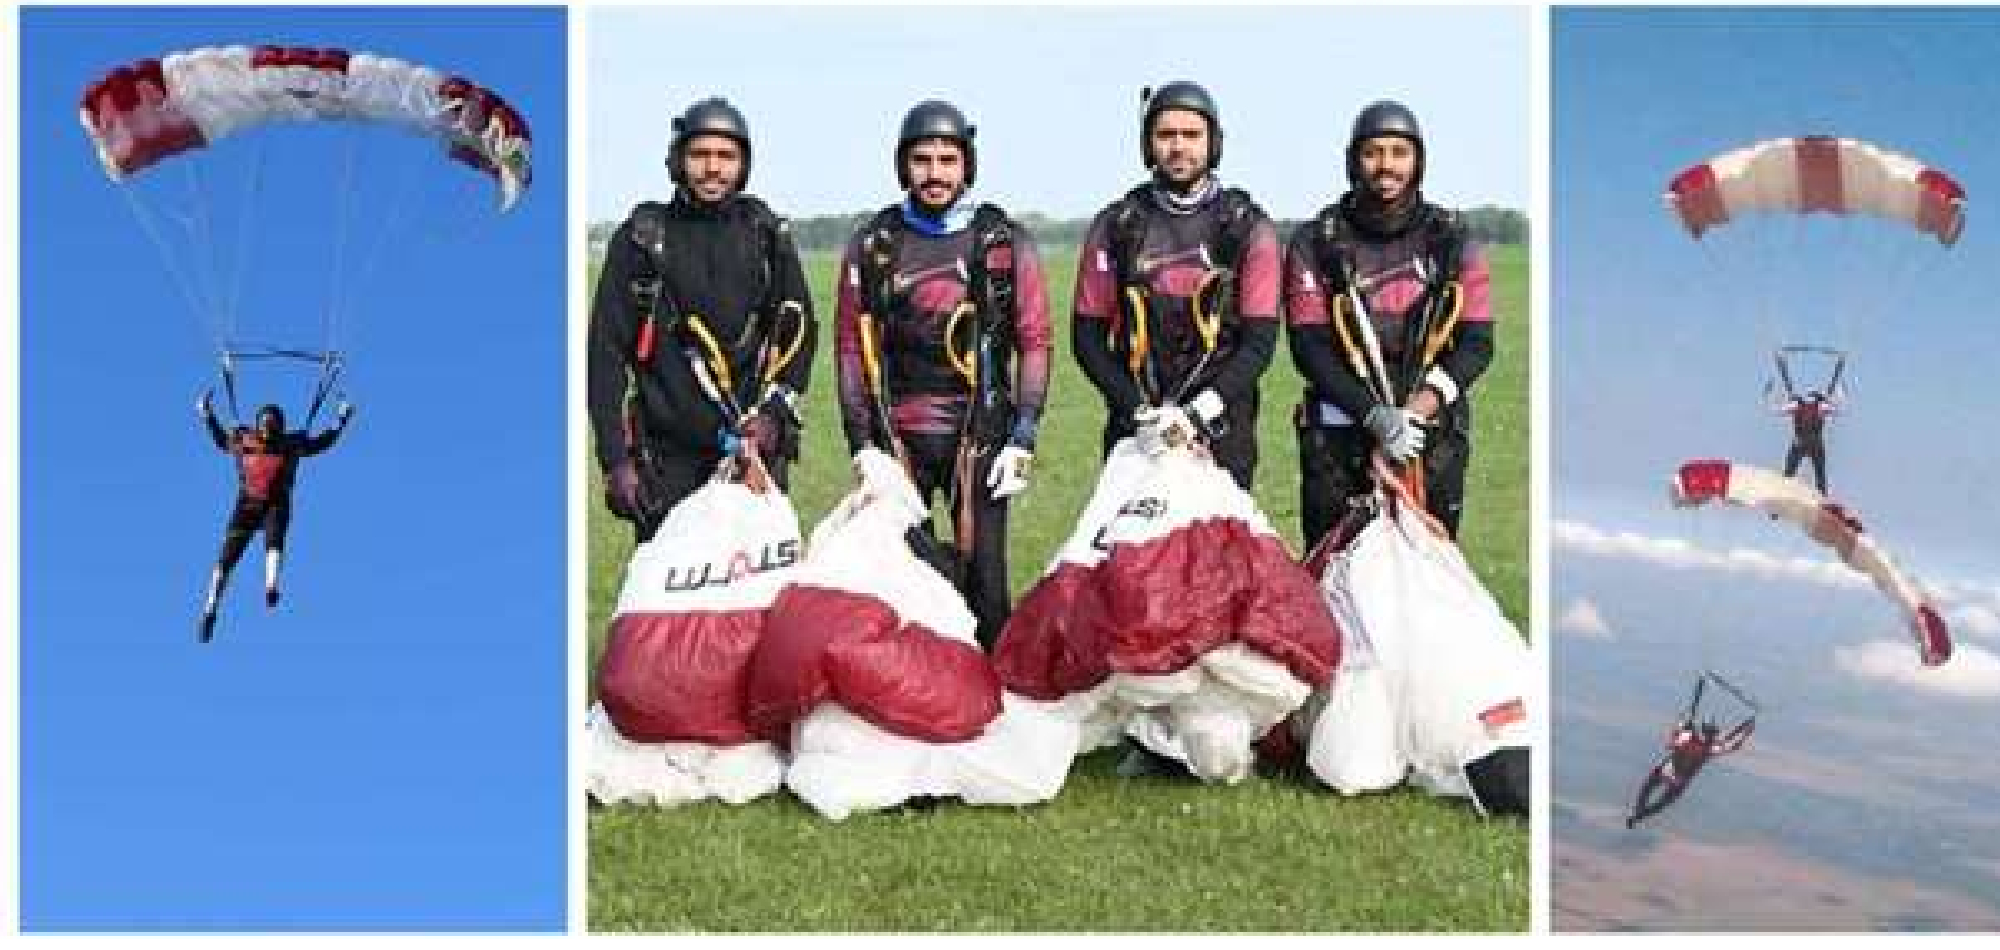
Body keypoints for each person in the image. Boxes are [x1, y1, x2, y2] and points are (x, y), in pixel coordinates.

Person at [834, 99, 1053, 650]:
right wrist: (863, 444)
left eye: (947, 160)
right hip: (898, 437)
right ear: (903, 165)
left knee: (986, 585)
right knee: (899, 579)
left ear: (967, 165)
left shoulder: (1002, 243)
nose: (934, 173)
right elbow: (849, 348)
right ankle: (911, 704)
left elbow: (1034, 340)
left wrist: (1023, 435)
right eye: (922, 160)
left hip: (981, 438)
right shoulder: (875, 245)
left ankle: (994, 706)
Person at [588, 96, 817, 543]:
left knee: (757, 605)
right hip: (665, 465)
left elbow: (800, 332)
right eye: (700, 155)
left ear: (743, 164)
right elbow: (605, 357)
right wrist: (616, 461)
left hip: (752, 454)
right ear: (677, 160)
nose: (712, 168)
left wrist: (773, 416)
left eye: (726, 156)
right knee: (666, 609)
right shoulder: (641, 241)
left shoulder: (765, 235)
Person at [1284, 100, 1496, 545]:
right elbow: (1310, 346)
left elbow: (1477, 343)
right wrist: (1375, 416)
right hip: (1339, 439)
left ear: (1418, 161)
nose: (1386, 166)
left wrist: (1417, 412)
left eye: (1400, 152)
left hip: (1430, 439)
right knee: (1334, 573)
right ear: (1353, 161)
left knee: (1428, 576)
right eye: (1373, 153)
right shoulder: (1317, 242)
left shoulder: (1453, 240)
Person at [1071, 81, 1281, 491]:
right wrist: (1138, 411)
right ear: (1148, 145)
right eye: (1166, 135)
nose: (1179, 147)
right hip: (1137, 428)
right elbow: (1087, 339)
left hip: (1221, 426)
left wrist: (1202, 410)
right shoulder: (1117, 225)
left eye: (1191, 135)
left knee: (1216, 554)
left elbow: (1259, 343)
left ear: (1213, 143)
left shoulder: (1248, 227)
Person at [197, 394, 353, 643]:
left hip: (275, 505)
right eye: (265, 426)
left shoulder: (291, 444)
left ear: (279, 428)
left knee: (274, 541)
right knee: (225, 563)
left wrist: (341, 419)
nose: (268, 432)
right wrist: (207, 414)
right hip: (247, 506)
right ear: (259, 425)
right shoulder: (243, 440)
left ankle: (270, 586)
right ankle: (210, 610)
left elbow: (324, 441)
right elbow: (219, 439)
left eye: (272, 427)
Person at [1773, 388, 1842, 494]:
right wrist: (1831, 400)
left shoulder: (1796, 406)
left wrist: (1786, 401)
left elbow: (1778, 411)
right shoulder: (1821, 406)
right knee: (1820, 473)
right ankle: (1823, 494)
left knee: (1789, 471)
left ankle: (1784, 488)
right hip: (1815, 445)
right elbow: (1838, 411)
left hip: (1799, 444)